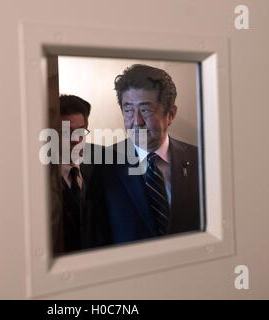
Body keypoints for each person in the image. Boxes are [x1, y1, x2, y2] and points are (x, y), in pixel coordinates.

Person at [86, 64, 201, 248]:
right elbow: (96, 240)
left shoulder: (200, 160)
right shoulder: (104, 165)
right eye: (128, 110)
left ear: (170, 114)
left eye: (145, 110)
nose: (136, 121)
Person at [53, 94, 103, 254]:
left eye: (80, 131)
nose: (75, 139)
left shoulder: (102, 166)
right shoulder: (37, 176)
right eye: (67, 132)